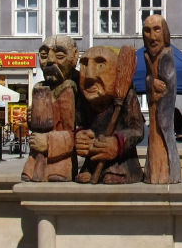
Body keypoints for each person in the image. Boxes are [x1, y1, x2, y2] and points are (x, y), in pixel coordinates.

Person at [74, 46, 143, 184]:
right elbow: (80, 123)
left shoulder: (127, 97)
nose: (89, 75)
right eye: (84, 65)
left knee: (114, 173)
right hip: (94, 161)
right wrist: (80, 136)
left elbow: (137, 130)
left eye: (100, 65)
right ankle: (92, 170)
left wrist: (118, 143)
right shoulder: (83, 100)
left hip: (122, 163)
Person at [22, 34, 79, 182]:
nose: (50, 61)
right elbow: (37, 126)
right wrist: (32, 118)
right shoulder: (39, 87)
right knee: (29, 175)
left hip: (59, 159)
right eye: (44, 55)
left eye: (59, 55)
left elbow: (71, 132)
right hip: (36, 157)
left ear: (74, 57)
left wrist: (48, 142)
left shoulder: (68, 89)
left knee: (55, 176)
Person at [142, 14, 181, 184]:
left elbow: (170, 85)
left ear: (164, 32)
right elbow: (150, 78)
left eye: (156, 29)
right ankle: (154, 173)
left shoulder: (167, 54)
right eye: (147, 31)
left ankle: (166, 173)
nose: (152, 36)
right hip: (152, 108)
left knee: (163, 138)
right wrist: (151, 82)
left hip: (162, 111)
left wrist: (159, 88)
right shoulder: (147, 56)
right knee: (154, 139)